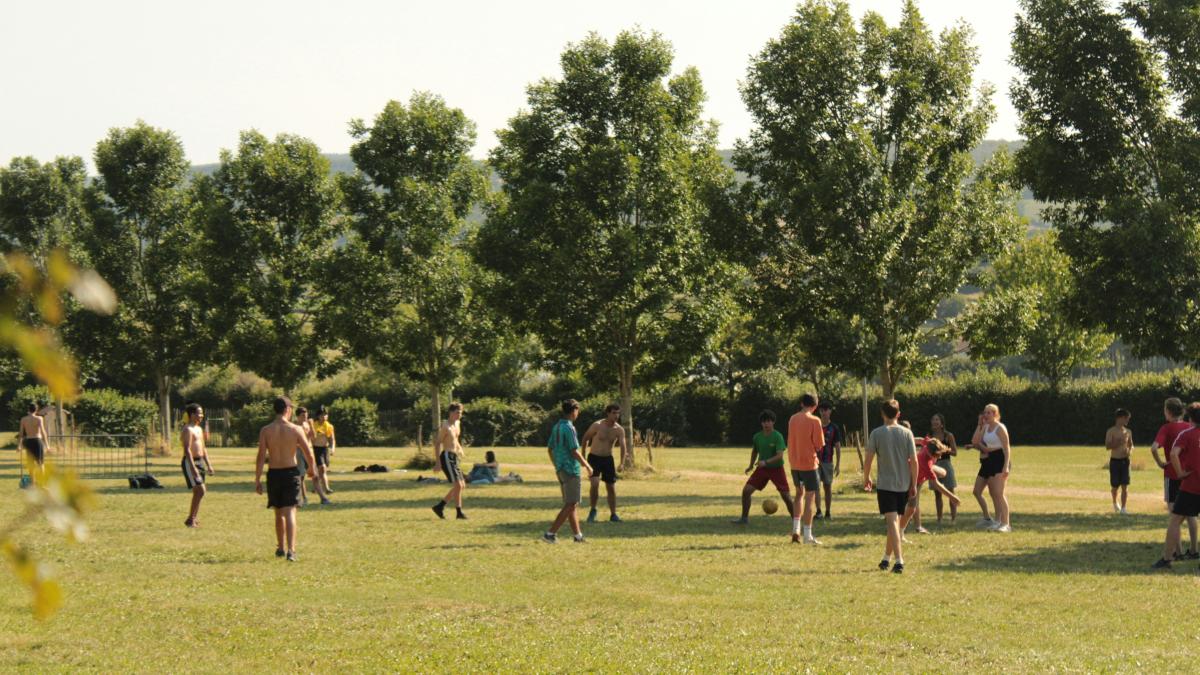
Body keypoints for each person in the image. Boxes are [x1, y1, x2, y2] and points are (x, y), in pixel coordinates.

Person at [254, 396, 316, 561]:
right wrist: (312, 469)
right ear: (288, 410)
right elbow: (308, 451)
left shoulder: (266, 430)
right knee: (290, 512)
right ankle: (291, 550)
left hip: (274, 473)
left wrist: (257, 479)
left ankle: (280, 547)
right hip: (290, 473)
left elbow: (261, 456)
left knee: (278, 512)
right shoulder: (296, 429)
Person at [862, 399, 919, 574]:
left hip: (886, 485)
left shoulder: (876, 433)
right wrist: (914, 484)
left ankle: (899, 560)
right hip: (903, 484)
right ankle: (886, 558)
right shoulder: (907, 433)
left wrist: (867, 477)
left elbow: (869, 458)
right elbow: (914, 461)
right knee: (893, 522)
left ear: (882, 414)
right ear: (898, 414)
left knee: (892, 522)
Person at [1153, 402, 1200, 569]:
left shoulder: (1187, 434)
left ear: (1190, 417)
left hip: (1191, 485)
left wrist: (1180, 473)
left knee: (1175, 520)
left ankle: (1167, 559)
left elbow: (1173, 453)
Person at [732, 410, 794, 524]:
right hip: (762, 469)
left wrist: (765, 462)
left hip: (776, 469)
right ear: (761, 423)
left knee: (786, 496)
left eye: (769, 421)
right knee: (746, 491)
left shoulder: (777, 436)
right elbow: (754, 451)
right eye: (764, 421)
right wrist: (750, 465)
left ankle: (796, 521)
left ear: (773, 422)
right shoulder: (757, 437)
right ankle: (744, 519)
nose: (766, 424)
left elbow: (780, 456)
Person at [543, 399, 591, 543]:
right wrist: (587, 465)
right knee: (571, 503)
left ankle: (578, 536)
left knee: (572, 503)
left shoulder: (557, 427)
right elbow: (574, 451)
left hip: (560, 469)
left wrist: (556, 464)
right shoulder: (569, 428)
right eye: (578, 410)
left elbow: (550, 449)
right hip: (570, 469)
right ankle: (550, 534)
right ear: (574, 410)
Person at [899, 438, 961, 537]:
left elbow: (919, 440)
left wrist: (908, 441)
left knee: (943, 472)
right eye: (938, 455)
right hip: (912, 479)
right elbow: (936, 484)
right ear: (932, 454)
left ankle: (900, 531)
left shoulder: (929, 444)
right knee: (911, 508)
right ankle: (899, 532)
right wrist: (952, 497)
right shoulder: (926, 462)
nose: (940, 457)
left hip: (918, 473)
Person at [581, 403, 630, 523]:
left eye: (618, 413)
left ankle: (613, 514)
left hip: (608, 459)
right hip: (594, 458)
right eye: (614, 413)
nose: (616, 415)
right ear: (608, 413)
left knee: (611, 487)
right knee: (595, 484)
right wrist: (583, 456)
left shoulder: (619, 429)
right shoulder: (597, 425)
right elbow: (585, 439)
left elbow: (623, 446)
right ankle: (593, 510)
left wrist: (622, 463)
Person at [787, 393, 826, 544]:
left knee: (798, 495)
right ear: (815, 406)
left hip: (794, 463)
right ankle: (808, 535)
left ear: (801, 403)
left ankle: (796, 529)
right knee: (810, 498)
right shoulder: (815, 420)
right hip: (809, 464)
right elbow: (819, 445)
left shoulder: (792, 419)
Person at [971, 404, 1013, 532]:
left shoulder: (1000, 428)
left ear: (995, 414)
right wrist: (980, 424)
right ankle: (997, 521)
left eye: (989, 412)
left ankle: (1006, 524)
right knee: (980, 490)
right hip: (989, 460)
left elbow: (1007, 449)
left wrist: (1005, 467)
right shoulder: (986, 427)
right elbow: (975, 441)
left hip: (1000, 460)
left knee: (999, 493)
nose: (986, 415)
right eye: (985, 412)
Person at [432, 403, 467, 520]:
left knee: (461, 485)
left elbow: (456, 439)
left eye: (461, 413)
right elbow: (437, 444)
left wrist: (459, 448)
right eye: (457, 412)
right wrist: (438, 463)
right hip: (446, 456)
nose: (459, 415)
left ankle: (440, 507)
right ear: (451, 413)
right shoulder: (445, 426)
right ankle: (459, 513)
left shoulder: (457, 423)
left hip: (454, 456)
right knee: (458, 485)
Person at [181, 403, 213, 528]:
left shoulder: (199, 429)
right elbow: (187, 449)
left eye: (202, 413)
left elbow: (203, 449)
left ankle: (192, 518)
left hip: (200, 462)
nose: (201, 415)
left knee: (198, 492)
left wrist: (209, 465)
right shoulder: (187, 429)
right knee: (201, 490)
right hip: (190, 463)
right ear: (192, 414)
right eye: (199, 413)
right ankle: (191, 519)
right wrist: (193, 468)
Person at [928, 413, 959, 523]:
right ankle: (939, 519)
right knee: (937, 493)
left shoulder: (948, 435)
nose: (935, 422)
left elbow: (955, 452)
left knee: (950, 491)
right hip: (933, 465)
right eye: (933, 419)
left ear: (942, 424)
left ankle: (953, 519)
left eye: (937, 420)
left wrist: (944, 449)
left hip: (946, 464)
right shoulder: (929, 436)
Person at [815, 402, 842, 520]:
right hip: (814, 461)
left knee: (827, 487)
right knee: (815, 487)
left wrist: (838, 464)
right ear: (819, 411)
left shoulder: (834, 428)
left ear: (830, 411)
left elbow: (837, 446)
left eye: (826, 410)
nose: (824, 412)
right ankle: (818, 511)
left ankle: (828, 512)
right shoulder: (815, 425)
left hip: (827, 461)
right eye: (822, 410)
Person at [1105, 408, 1134, 514]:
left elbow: (1131, 445)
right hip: (1115, 462)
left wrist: (1130, 451)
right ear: (1120, 418)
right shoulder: (1110, 431)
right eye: (1127, 418)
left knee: (1125, 485)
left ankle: (1123, 508)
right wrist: (1117, 443)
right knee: (1114, 486)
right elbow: (1107, 446)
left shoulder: (1128, 431)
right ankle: (1114, 502)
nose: (1128, 421)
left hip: (1125, 461)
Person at [310, 405, 336, 495]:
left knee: (322, 470)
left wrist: (332, 448)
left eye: (325, 415)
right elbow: (310, 437)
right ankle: (327, 488)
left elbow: (332, 439)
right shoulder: (313, 425)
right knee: (322, 468)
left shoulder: (329, 426)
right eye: (322, 415)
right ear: (318, 416)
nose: (324, 417)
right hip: (316, 449)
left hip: (325, 449)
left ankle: (315, 487)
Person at [17, 402, 47, 479]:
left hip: (28, 441)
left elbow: (21, 434)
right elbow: (43, 432)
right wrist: (47, 445)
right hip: (37, 440)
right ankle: (42, 483)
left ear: (28, 410)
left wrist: (19, 446)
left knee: (31, 463)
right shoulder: (39, 418)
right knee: (41, 463)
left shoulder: (23, 419)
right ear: (36, 410)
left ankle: (33, 483)